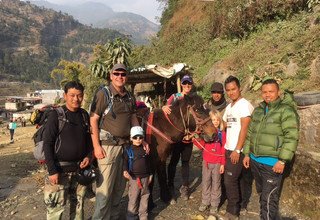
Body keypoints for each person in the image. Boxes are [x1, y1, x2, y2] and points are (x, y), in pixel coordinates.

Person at [243, 79, 299, 220]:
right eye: (265, 92)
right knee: (263, 196)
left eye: (271, 91)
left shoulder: (286, 111)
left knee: (268, 201)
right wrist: (246, 154)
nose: (267, 95)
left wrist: (282, 160)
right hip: (255, 161)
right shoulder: (259, 110)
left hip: (272, 165)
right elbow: (250, 133)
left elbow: (291, 137)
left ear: (278, 92)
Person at [90, 63, 140, 220]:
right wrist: (96, 146)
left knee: (119, 190)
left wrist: (140, 137)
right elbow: (93, 120)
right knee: (104, 193)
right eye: (116, 73)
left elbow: (133, 117)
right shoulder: (103, 94)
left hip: (125, 147)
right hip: (107, 148)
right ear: (111, 76)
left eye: (123, 74)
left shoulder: (130, 96)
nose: (120, 77)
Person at [43, 81, 93, 220]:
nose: (76, 99)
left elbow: (89, 141)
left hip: (79, 171)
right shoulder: (56, 115)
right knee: (55, 210)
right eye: (72, 95)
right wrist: (52, 171)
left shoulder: (84, 115)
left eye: (79, 95)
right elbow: (47, 144)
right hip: (59, 172)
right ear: (65, 95)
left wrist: (89, 157)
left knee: (78, 208)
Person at [222, 75, 254, 219]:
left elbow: (245, 129)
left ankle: (233, 210)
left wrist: (237, 149)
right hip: (229, 148)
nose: (231, 92)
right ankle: (242, 205)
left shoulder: (244, 105)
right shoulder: (229, 107)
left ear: (239, 88)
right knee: (238, 178)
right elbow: (223, 125)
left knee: (230, 179)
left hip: (237, 150)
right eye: (228, 90)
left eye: (233, 89)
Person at [162, 75, 194, 202]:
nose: (187, 85)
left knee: (186, 162)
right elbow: (166, 112)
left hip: (189, 137)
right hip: (176, 137)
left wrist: (193, 134)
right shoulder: (174, 97)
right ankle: (170, 186)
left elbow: (197, 118)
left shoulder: (193, 99)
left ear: (192, 84)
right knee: (173, 161)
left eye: (189, 83)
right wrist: (164, 107)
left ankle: (185, 187)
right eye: (185, 83)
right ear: (181, 84)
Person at [193, 109, 226, 215]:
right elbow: (202, 146)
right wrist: (193, 139)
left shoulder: (222, 133)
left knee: (216, 183)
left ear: (220, 120)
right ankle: (205, 202)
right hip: (206, 162)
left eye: (217, 120)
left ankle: (214, 204)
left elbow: (223, 150)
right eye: (212, 120)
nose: (215, 122)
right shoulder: (206, 133)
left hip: (217, 163)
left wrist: (222, 164)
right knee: (206, 182)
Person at [123, 126, 153, 220]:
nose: (138, 139)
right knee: (133, 198)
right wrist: (125, 170)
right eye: (135, 137)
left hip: (145, 177)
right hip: (134, 178)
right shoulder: (128, 150)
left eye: (140, 137)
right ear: (131, 138)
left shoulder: (145, 149)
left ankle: (143, 215)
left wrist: (151, 174)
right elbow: (125, 161)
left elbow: (149, 162)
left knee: (145, 196)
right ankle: (131, 216)